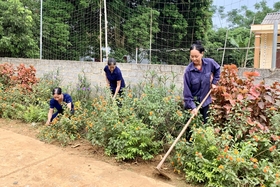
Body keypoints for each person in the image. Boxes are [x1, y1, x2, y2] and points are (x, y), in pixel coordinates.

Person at [183, 40, 220, 140]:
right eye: (192, 56)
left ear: (202, 54)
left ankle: (205, 145)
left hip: (205, 101)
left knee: (206, 125)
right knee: (190, 128)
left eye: (196, 56)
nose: (194, 59)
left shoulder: (210, 63)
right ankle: (188, 147)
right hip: (192, 103)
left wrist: (214, 83)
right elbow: (187, 92)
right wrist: (192, 107)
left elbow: (217, 70)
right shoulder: (188, 71)